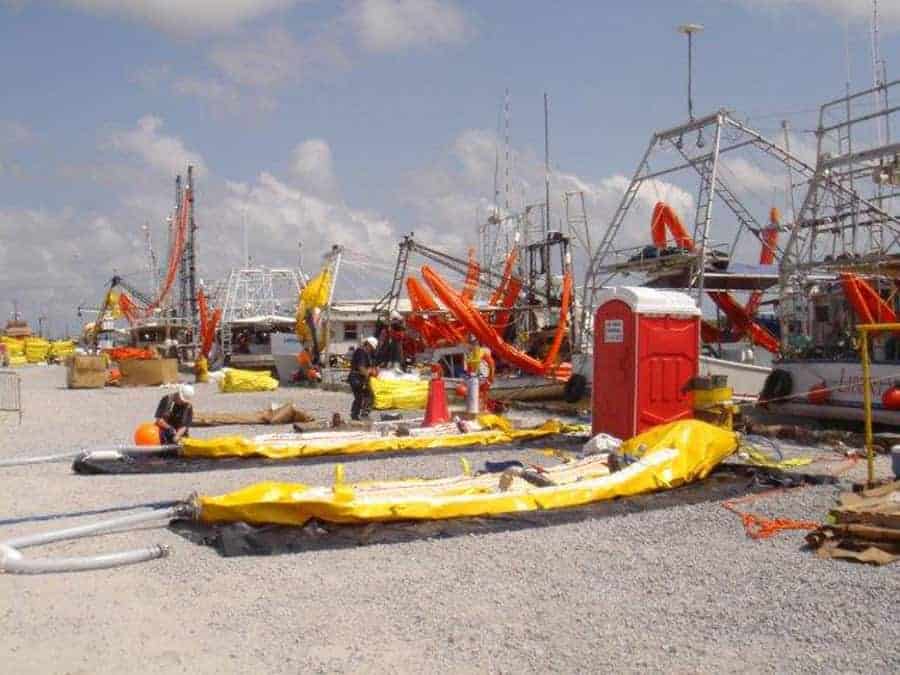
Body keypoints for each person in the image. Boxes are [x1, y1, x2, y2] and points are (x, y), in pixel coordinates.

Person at [348, 336, 378, 420]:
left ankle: (358, 414)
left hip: (358, 378)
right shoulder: (361, 352)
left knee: (366, 396)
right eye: (371, 348)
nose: (371, 350)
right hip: (356, 378)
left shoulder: (364, 353)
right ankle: (358, 415)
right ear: (367, 344)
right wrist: (370, 372)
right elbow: (361, 368)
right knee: (361, 397)